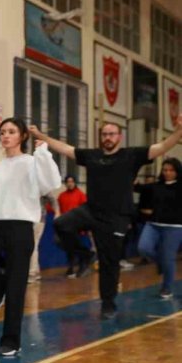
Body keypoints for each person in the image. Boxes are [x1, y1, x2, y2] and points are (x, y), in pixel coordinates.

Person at [31, 117, 182, 319]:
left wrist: (179, 131)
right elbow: (65, 149)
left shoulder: (132, 155)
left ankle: (108, 303)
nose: (107, 137)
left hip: (116, 217)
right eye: (104, 134)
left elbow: (162, 146)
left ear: (119, 137)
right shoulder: (92, 156)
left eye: (112, 134)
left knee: (109, 262)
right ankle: (84, 255)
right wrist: (42, 136)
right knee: (61, 224)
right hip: (91, 210)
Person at [0, 117, 61, 356]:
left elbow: (51, 182)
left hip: (21, 227)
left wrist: (44, 154)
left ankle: (10, 341)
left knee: (17, 288)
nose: (5, 135)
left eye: (11, 131)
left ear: (22, 136)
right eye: (2, 132)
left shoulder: (31, 162)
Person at [136, 158, 182, 299]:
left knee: (168, 258)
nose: (167, 173)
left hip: (174, 227)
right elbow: (138, 187)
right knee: (143, 248)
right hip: (153, 225)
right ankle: (160, 263)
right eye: (165, 170)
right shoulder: (156, 186)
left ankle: (166, 288)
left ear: (177, 171)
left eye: (171, 170)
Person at [56, 174, 88, 277]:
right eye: (68, 182)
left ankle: (82, 265)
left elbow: (86, 210)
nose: (70, 184)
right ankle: (71, 266)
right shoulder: (62, 196)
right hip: (66, 227)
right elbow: (56, 208)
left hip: (78, 226)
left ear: (75, 183)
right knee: (69, 248)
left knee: (78, 246)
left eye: (71, 181)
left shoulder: (80, 195)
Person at [28, 192, 58, 283]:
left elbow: (53, 199)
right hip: (28, 219)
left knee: (33, 244)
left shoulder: (42, 185)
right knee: (31, 245)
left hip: (38, 219)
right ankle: (34, 272)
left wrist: (57, 213)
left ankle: (33, 273)